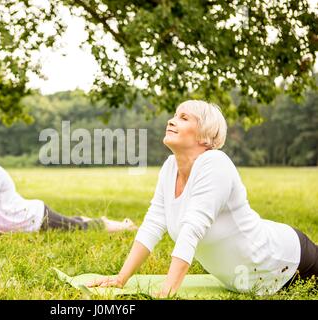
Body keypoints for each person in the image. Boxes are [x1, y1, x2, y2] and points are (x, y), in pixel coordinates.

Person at [87, 100, 318, 297]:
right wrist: (120, 278)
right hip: (243, 281)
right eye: (175, 115)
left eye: (184, 117)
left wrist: (168, 289)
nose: (171, 120)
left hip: (286, 258)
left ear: (205, 135)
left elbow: (193, 228)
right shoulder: (170, 167)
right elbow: (153, 223)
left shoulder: (215, 163)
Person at [0, 131, 137, 235]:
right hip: (24, 220)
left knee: (80, 228)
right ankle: (96, 220)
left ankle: (123, 227)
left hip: (35, 217)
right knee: (74, 221)